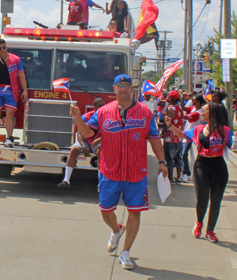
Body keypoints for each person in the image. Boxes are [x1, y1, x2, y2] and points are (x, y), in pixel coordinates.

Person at [70, 74, 167, 270]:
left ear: (132, 89)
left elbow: (155, 138)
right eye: (119, 85)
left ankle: (125, 252)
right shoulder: (104, 112)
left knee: (135, 212)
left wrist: (162, 162)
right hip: (109, 171)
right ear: (114, 89)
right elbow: (88, 133)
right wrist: (77, 118)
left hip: (136, 172)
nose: (123, 88)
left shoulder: (145, 113)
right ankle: (116, 229)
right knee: (106, 211)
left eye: (127, 85)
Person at [165, 103, 237, 243]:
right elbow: (183, 135)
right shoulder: (198, 129)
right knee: (202, 198)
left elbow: (235, 150)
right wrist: (170, 125)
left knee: (216, 200)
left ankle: (210, 230)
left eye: (205, 111)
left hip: (219, 167)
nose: (201, 113)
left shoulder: (225, 131)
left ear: (213, 113)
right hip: (201, 165)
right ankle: (199, 223)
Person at [0, 38, 29, 147]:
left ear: (6, 47)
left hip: (11, 89)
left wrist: (25, 90)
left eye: (4, 47)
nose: (2, 49)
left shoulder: (16, 59)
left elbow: (22, 75)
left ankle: (9, 137)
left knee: (10, 114)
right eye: (0, 48)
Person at [58, 97, 105, 188]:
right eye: (100, 106)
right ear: (94, 107)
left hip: (99, 141)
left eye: (104, 106)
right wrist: (84, 146)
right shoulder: (86, 117)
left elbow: (109, 133)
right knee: (74, 149)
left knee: (100, 152)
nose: (103, 108)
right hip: (86, 141)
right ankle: (66, 180)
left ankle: (100, 184)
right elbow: (80, 133)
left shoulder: (108, 117)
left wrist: (98, 140)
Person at [181, 95, 206, 182]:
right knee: (184, 154)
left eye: (194, 100)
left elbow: (185, 117)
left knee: (199, 155)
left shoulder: (198, 112)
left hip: (197, 135)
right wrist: (182, 98)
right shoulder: (193, 109)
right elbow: (183, 108)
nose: (192, 101)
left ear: (199, 102)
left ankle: (197, 172)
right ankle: (186, 172)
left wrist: (174, 115)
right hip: (189, 133)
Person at [162, 91, 184, 182]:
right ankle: (178, 177)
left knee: (169, 157)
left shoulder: (170, 109)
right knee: (178, 157)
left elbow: (167, 124)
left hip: (170, 138)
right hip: (179, 137)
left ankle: (170, 177)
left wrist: (161, 125)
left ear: (170, 99)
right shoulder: (180, 108)